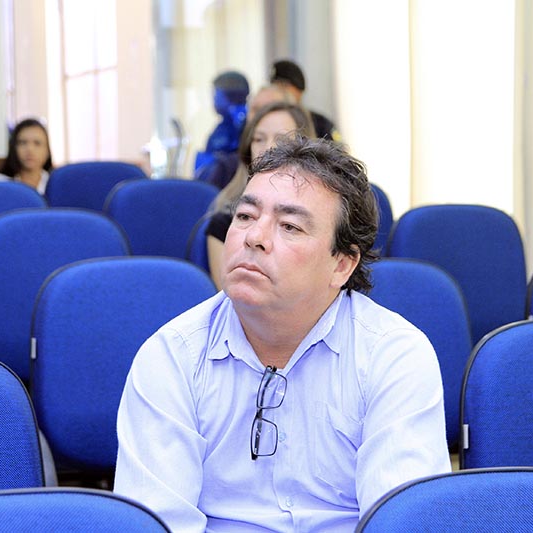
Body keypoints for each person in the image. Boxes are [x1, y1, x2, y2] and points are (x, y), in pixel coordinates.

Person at [114, 136, 451, 531]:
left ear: (342, 265)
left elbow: (400, 524)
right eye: (245, 216)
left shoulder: (394, 355)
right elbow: (159, 525)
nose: (254, 237)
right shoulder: (173, 355)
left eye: (289, 226)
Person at [205, 100, 315, 286]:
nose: (268, 148)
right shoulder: (224, 222)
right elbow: (230, 293)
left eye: (282, 140)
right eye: (258, 139)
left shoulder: (320, 220)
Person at [193, 71, 250, 183]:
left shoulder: (240, 123)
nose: (213, 99)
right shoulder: (225, 123)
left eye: (215, 94)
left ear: (229, 96)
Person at [270, 59, 342, 142]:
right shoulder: (267, 122)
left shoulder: (321, 124)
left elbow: (337, 148)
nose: (279, 93)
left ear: (299, 90)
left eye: (284, 86)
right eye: (274, 88)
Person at [0, 118, 53, 194]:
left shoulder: (56, 184)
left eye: (37, 143)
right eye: (23, 143)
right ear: (14, 148)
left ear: (47, 151)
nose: (30, 149)